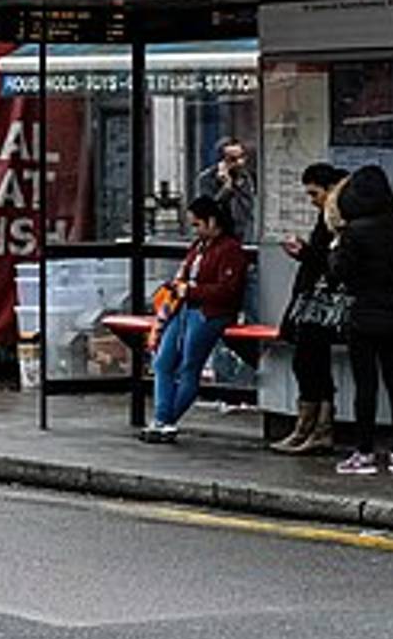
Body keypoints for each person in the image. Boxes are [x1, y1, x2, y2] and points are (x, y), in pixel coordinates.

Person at [325, 165, 393, 476]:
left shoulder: (354, 232)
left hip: (364, 315)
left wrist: (336, 246)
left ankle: (364, 451)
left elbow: (339, 273)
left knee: (366, 385)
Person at [140, 195, 249, 444]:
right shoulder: (199, 247)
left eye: (197, 224)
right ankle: (162, 418)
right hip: (184, 309)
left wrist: (191, 291)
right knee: (163, 362)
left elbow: (228, 290)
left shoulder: (230, 249)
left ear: (212, 222)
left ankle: (165, 420)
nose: (195, 230)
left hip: (210, 313)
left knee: (190, 365)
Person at [271, 162, 347, 454]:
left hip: (322, 304)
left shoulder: (337, 220)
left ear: (329, 189)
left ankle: (317, 428)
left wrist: (304, 252)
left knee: (312, 363)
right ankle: (308, 426)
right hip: (312, 301)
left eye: (314, 193)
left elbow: (330, 263)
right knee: (305, 362)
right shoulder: (326, 217)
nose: (312, 200)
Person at [195, 137, 256, 240]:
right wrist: (226, 188)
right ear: (221, 162)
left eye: (242, 157)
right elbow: (209, 211)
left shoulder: (246, 178)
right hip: (220, 239)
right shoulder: (206, 179)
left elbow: (248, 209)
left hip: (245, 237)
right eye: (233, 159)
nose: (240, 163)